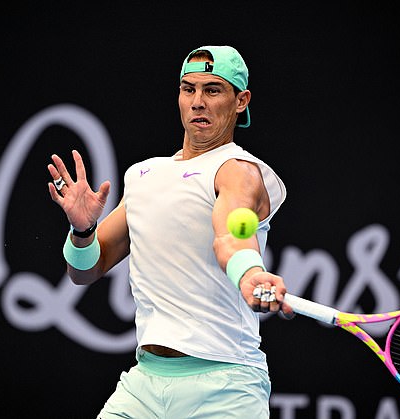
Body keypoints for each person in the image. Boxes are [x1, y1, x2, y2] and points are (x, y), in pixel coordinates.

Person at [47, 45, 293, 418]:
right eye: (188, 89)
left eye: (212, 90)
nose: (197, 102)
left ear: (240, 100)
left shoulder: (238, 171)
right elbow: (84, 272)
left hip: (225, 387)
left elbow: (230, 234)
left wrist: (250, 273)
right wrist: (82, 230)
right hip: (143, 384)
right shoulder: (144, 175)